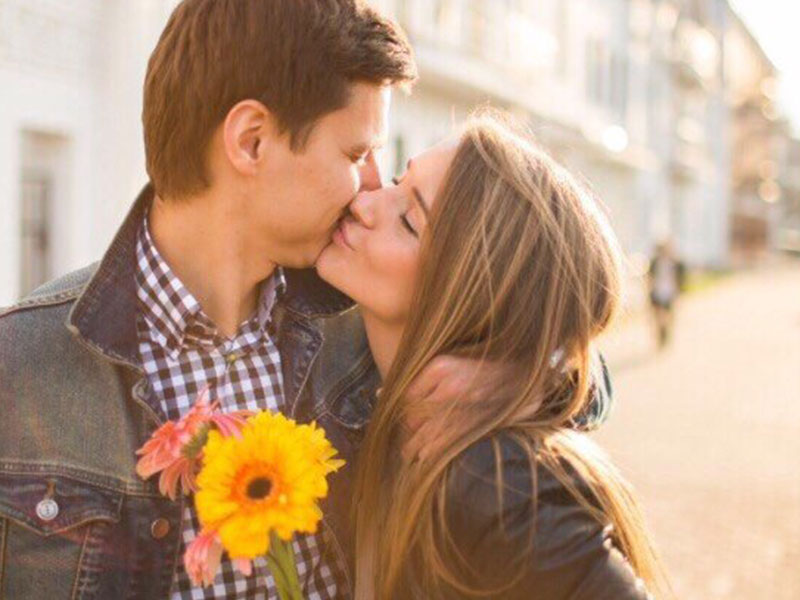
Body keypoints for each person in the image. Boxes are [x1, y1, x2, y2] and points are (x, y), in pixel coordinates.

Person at [0, 2, 612, 599]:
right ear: (252, 142)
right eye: (355, 154)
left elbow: (554, 338)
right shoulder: (19, 367)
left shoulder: (363, 316)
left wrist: (509, 378)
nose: (371, 184)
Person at [317, 111, 669, 599]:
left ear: (474, 295)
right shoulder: (416, 428)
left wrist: (531, 376)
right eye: (399, 181)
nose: (364, 202)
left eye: (409, 221)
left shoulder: (496, 483)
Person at [648, 240, 686, 348]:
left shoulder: (676, 263)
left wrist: (680, 292)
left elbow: (681, 279)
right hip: (657, 292)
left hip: (670, 293)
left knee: (668, 317)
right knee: (658, 316)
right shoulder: (655, 262)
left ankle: (666, 334)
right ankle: (660, 335)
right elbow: (649, 277)